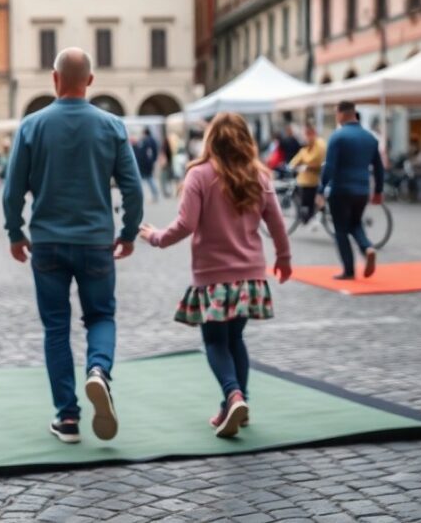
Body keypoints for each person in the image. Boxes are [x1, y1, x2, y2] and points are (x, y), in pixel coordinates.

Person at [3, 47, 143, 445]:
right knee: (101, 317)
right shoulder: (112, 125)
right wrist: (129, 233)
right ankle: (98, 370)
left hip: (46, 242)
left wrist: (15, 233)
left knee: (56, 328)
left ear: (54, 79)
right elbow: (132, 188)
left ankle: (67, 418)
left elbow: (13, 189)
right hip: (97, 241)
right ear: (91, 81)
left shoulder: (32, 125)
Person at [139, 112, 291, 438]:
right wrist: (284, 258)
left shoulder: (199, 175)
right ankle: (238, 405)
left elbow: (186, 225)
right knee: (235, 338)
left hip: (213, 276)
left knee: (214, 340)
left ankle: (233, 394)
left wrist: (156, 237)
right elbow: (277, 222)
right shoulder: (259, 176)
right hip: (251, 275)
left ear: (210, 140)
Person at [320, 101, 385, 281]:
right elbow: (379, 168)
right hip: (362, 190)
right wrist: (378, 190)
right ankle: (367, 247)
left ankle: (349, 270)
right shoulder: (370, 138)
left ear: (342, 114)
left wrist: (320, 189)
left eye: (336, 113)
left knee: (341, 229)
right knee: (355, 223)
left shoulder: (338, 137)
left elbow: (330, 166)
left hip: (340, 190)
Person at [288, 122, 325, 225]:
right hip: (308, 179)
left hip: (313, 179)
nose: (304, 137)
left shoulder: (319, 144)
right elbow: (300, 156)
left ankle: (310, 216)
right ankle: (309, 215)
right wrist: (293, 165)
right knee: (305, 198)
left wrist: (304, 165)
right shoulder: (309, 146)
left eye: (306, 134)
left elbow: (312, 159)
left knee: (308, 200)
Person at [135, 128, 160, 202]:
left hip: (145, 164)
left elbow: (144, 153)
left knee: (148, 179)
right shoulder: (153, 140)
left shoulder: (146, 141)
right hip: (149, 163)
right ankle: (154, 194)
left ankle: (153, 194)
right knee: (149, 179)